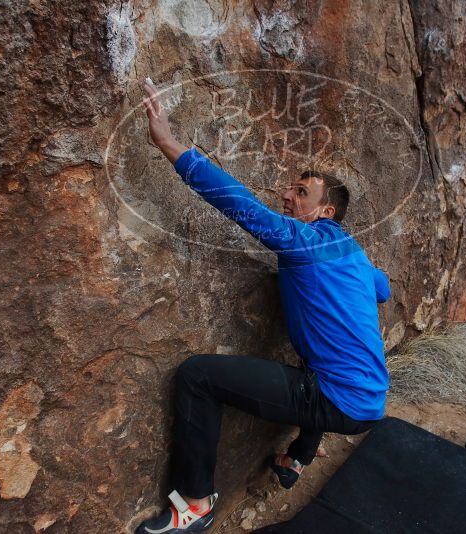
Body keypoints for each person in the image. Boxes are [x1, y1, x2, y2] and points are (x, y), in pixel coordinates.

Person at [136, 81, 391, 534]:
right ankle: (297, 458)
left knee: (198, 375)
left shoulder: (304, 242)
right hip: (370, 400)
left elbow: (240, 205)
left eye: (301, 192)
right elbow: (383, 289)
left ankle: (195, 505)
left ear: (324, 212)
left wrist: (166, 142)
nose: (288, 196)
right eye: (290, 189)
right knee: (315, 359)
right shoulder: (353, 252)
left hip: (339, 398)